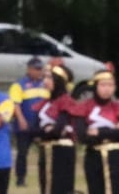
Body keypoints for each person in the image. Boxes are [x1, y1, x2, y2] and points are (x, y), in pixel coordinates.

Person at [70, 69, 119, 194]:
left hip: (117, 158)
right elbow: (83, 136)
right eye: (103, 85)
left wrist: (99, 132)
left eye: (110, 85)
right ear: (96, 86)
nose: (107, 89)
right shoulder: (84, 108)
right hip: (94, 157)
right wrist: (112, 131)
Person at [34, 65, 77, 194]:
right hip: (45, 149)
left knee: (59, 187)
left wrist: (47, 131)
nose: (45, 81)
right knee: (45, 186)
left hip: (62, 152)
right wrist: (47, 131)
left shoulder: (66, 101)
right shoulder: (44, 103)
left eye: (50, 78)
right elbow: (33, 130)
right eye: (45, 77)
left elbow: (57, 130)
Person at [9, 57, 50, 188]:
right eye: (36, 69)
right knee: (22, 153)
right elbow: (16, 104)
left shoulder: (46, 84)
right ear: (29, 69)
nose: (39, 72)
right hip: (25, 124)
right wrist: (21, 119)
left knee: (44, 153)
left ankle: (45, 177)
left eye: (40, 69)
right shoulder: (19, 84)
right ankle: (20, 179)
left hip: (41, 125)